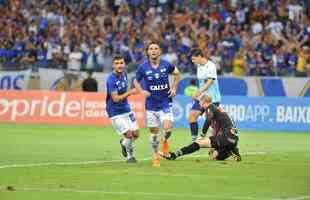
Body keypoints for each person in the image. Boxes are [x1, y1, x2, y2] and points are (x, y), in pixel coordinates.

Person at [133, 41, 181, 167]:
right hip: (151, 106)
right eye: (151, 49)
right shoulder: (143, 67)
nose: (153, 51)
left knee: (168, 128)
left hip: (165, 103)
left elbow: (177, 73)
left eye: (156, 48)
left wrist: (174, 88)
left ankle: (165, 140)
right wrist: (141, 91)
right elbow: (135, 81)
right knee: (153, 133)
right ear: (148, 52)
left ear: (159, 52)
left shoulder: (167, 65)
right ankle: (155, 156)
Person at [160, 94, 241, 161]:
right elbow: (220, 128)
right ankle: (232, 150)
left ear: (203, 102)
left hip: (227, 137)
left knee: (199, 143)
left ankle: (173, 155)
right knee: (214, 156)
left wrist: (202, 135)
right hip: (233, 139)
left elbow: (208, 120)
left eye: (200, 102)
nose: (199, 104)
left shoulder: (210, 108)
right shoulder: (218, 110)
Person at [106, 55, 139, 163]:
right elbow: (115, 99)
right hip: (115, 111)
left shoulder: (124, 74)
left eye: (121, 63)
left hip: (126, 109)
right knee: (129, 134)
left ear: (124, 64)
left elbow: (124, 90)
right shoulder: (111, 79)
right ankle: (130, 157)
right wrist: (130, 92)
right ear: (113, 65)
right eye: (117, 63)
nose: (119, 65)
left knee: (136, 134)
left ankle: (124, 143)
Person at [188, 48, 221, 142]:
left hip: (212, 98)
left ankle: (215, 143)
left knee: (211, 124)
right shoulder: (199, 66)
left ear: (199, 56)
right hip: (202, 98)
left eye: (193, 59)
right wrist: (199, 95)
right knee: (192, 116)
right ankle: (195, 141)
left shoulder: (211, 65)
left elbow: (210, 81)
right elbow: (202, 82)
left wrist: (198, 92)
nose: (192, 61)